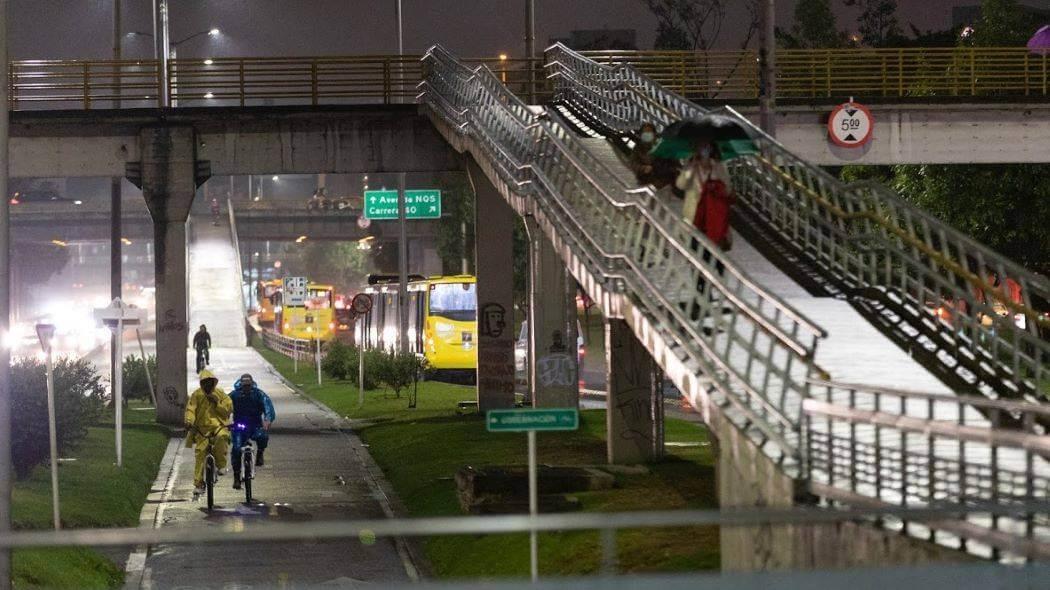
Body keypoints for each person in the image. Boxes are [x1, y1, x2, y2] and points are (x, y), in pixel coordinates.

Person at [185, 369, 233, 496]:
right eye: (205, 383)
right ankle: (199, 483)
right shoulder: (196, 395)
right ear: (202, 383)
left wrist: (217, 402)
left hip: (218, 426)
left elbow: (228, 410)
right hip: (202, 429)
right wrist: (189, 421)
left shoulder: (220, 394)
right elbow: (191, 409)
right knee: (200, 453)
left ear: (213, 382)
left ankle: (221, 465)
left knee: (222, 437)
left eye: (210, 382)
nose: (207, 385)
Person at [228, 373, 276, 490]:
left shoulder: (259, 394)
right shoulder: (234, 395)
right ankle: (236, 476)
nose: (247, 388)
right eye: (244, 386)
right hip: (239, 425)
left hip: (255, 425)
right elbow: (224, 406)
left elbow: (267, 406)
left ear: (252, 385)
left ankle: (260, 452)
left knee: (263, 436)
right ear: (241, 385)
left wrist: (267, 420)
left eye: (248, 386)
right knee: (236, 448)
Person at [629, 123, 680, 191]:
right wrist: (643, 168)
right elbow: (633, 163)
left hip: (664, 182)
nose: (647, 134)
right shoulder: (638, 148)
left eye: (649, 132)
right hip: (646, 181)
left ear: (654, 133)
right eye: (645, 132)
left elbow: (674, 162)